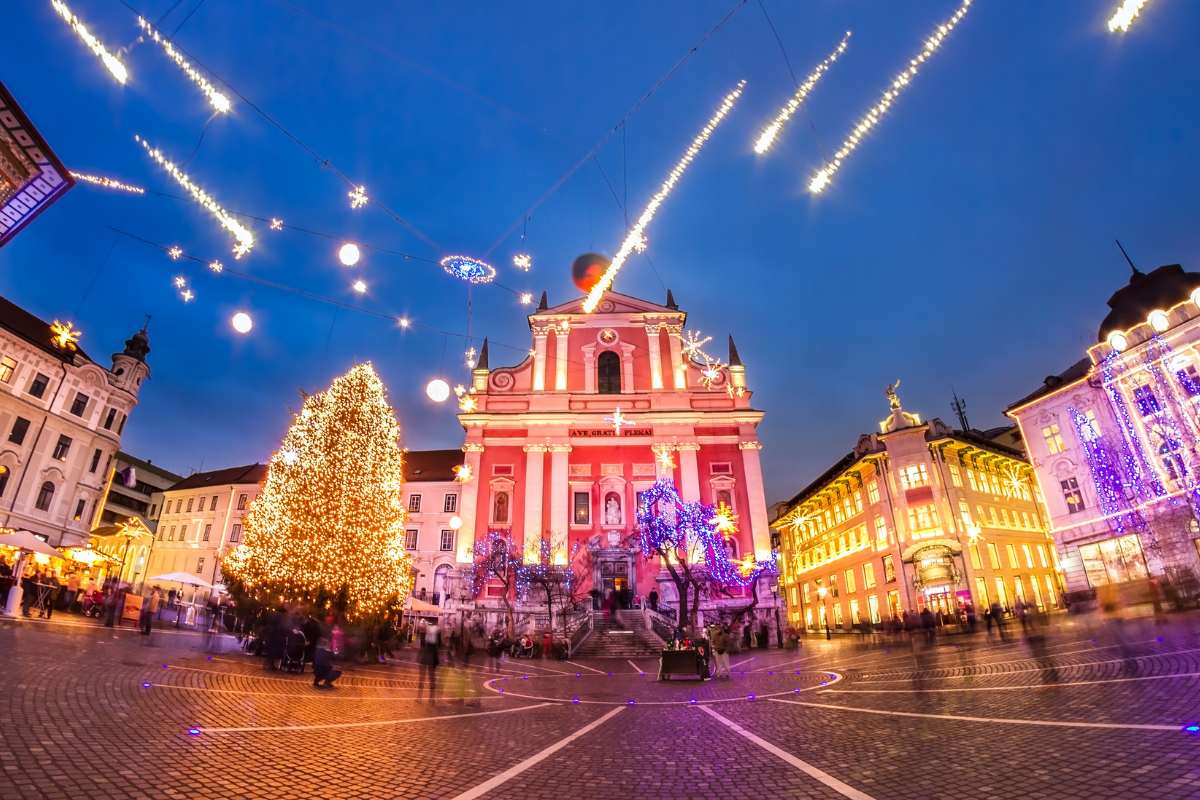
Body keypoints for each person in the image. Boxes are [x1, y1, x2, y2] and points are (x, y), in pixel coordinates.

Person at [312, 619, 343, 690]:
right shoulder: (327, 649)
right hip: (322, 669)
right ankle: (327, 681)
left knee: (323, 666)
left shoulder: (319, 646)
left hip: (316, 668)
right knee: (337, 670)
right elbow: (330, 660)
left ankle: (317, 680)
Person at [418, 620, 441, 703]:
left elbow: (423, 644)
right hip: (430, 652)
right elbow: (439, 643)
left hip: (428, 652)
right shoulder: (434, 629)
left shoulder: (427, 630)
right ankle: (430, 698)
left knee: (424, 676)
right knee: (430, 676)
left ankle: (422, 697)